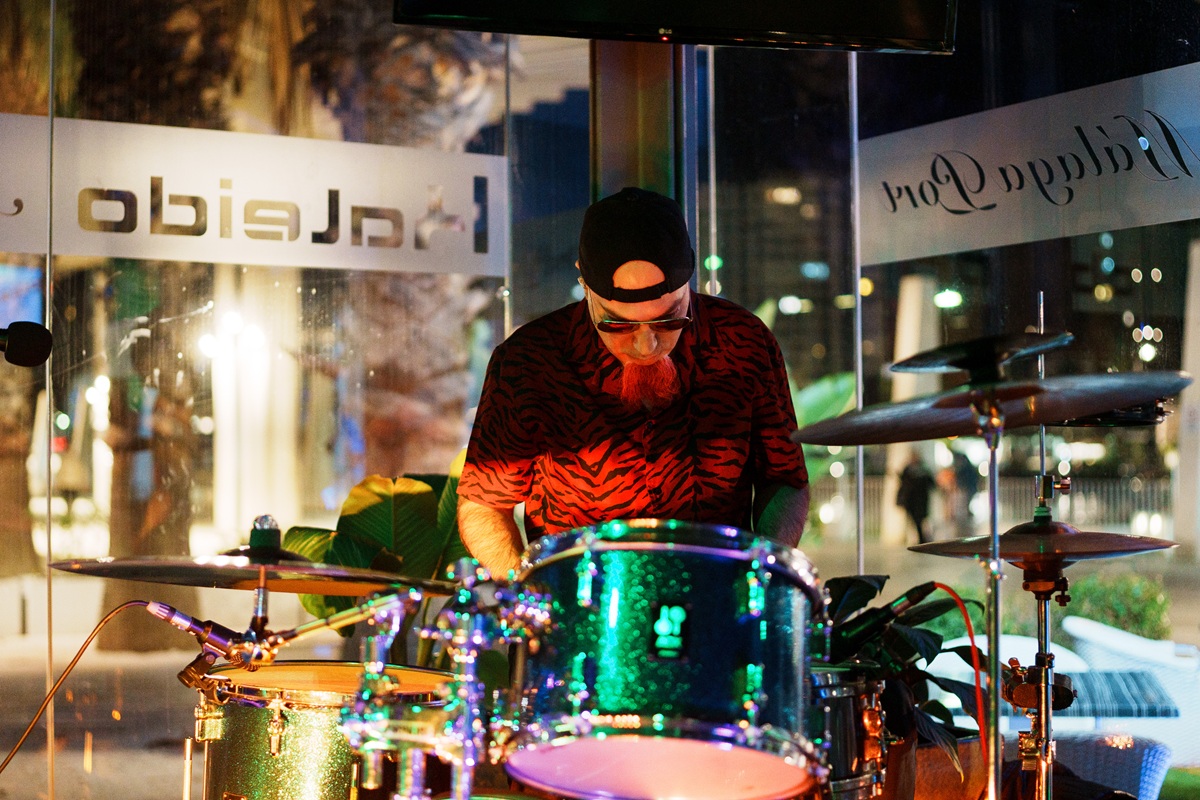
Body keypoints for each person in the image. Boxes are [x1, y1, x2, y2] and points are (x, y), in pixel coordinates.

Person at [457, 187, 810, 576]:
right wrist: (525, 591)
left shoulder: (743, 342)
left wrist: (764, 574)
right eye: (618, 324)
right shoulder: (529, 362)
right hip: (580, 602)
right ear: (585, 285)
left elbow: (785, 479)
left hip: (716, 593)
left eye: (669, 318)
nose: (647, 346)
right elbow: (484, 504)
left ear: (689, 282)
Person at [896, 453, 937, 545]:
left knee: (920, 521)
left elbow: (931, 484)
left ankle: (923, 539)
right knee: (915, 521)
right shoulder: (908, 470)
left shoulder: (924, 471)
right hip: (911, 502)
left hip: (921, 502)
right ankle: (921, 538)